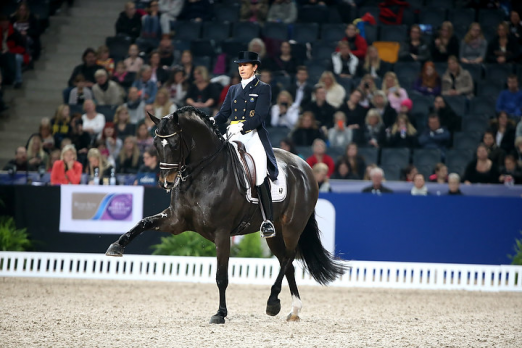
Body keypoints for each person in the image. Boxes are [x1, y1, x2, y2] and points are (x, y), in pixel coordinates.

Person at [212, 51, 279, 238]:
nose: (242, 68)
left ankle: (268, 220)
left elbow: (260, 116)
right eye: (240, 65)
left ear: (255, 67)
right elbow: (224, 114)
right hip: (232, 134)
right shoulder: (233, 89)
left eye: (246, 65)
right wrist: (211, 122)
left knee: (259, 172)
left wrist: (242, 127)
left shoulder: (263, 88)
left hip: (252, 134)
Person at [0, 15, 29, 89]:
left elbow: (22, 48)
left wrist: (9, 51)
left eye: (5, 22)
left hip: (16, 53)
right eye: (2, 22)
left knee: (17, 58)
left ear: (8, 22)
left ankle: (18, 80)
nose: (4, 24)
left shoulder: (15, 32)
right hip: (3, 54)